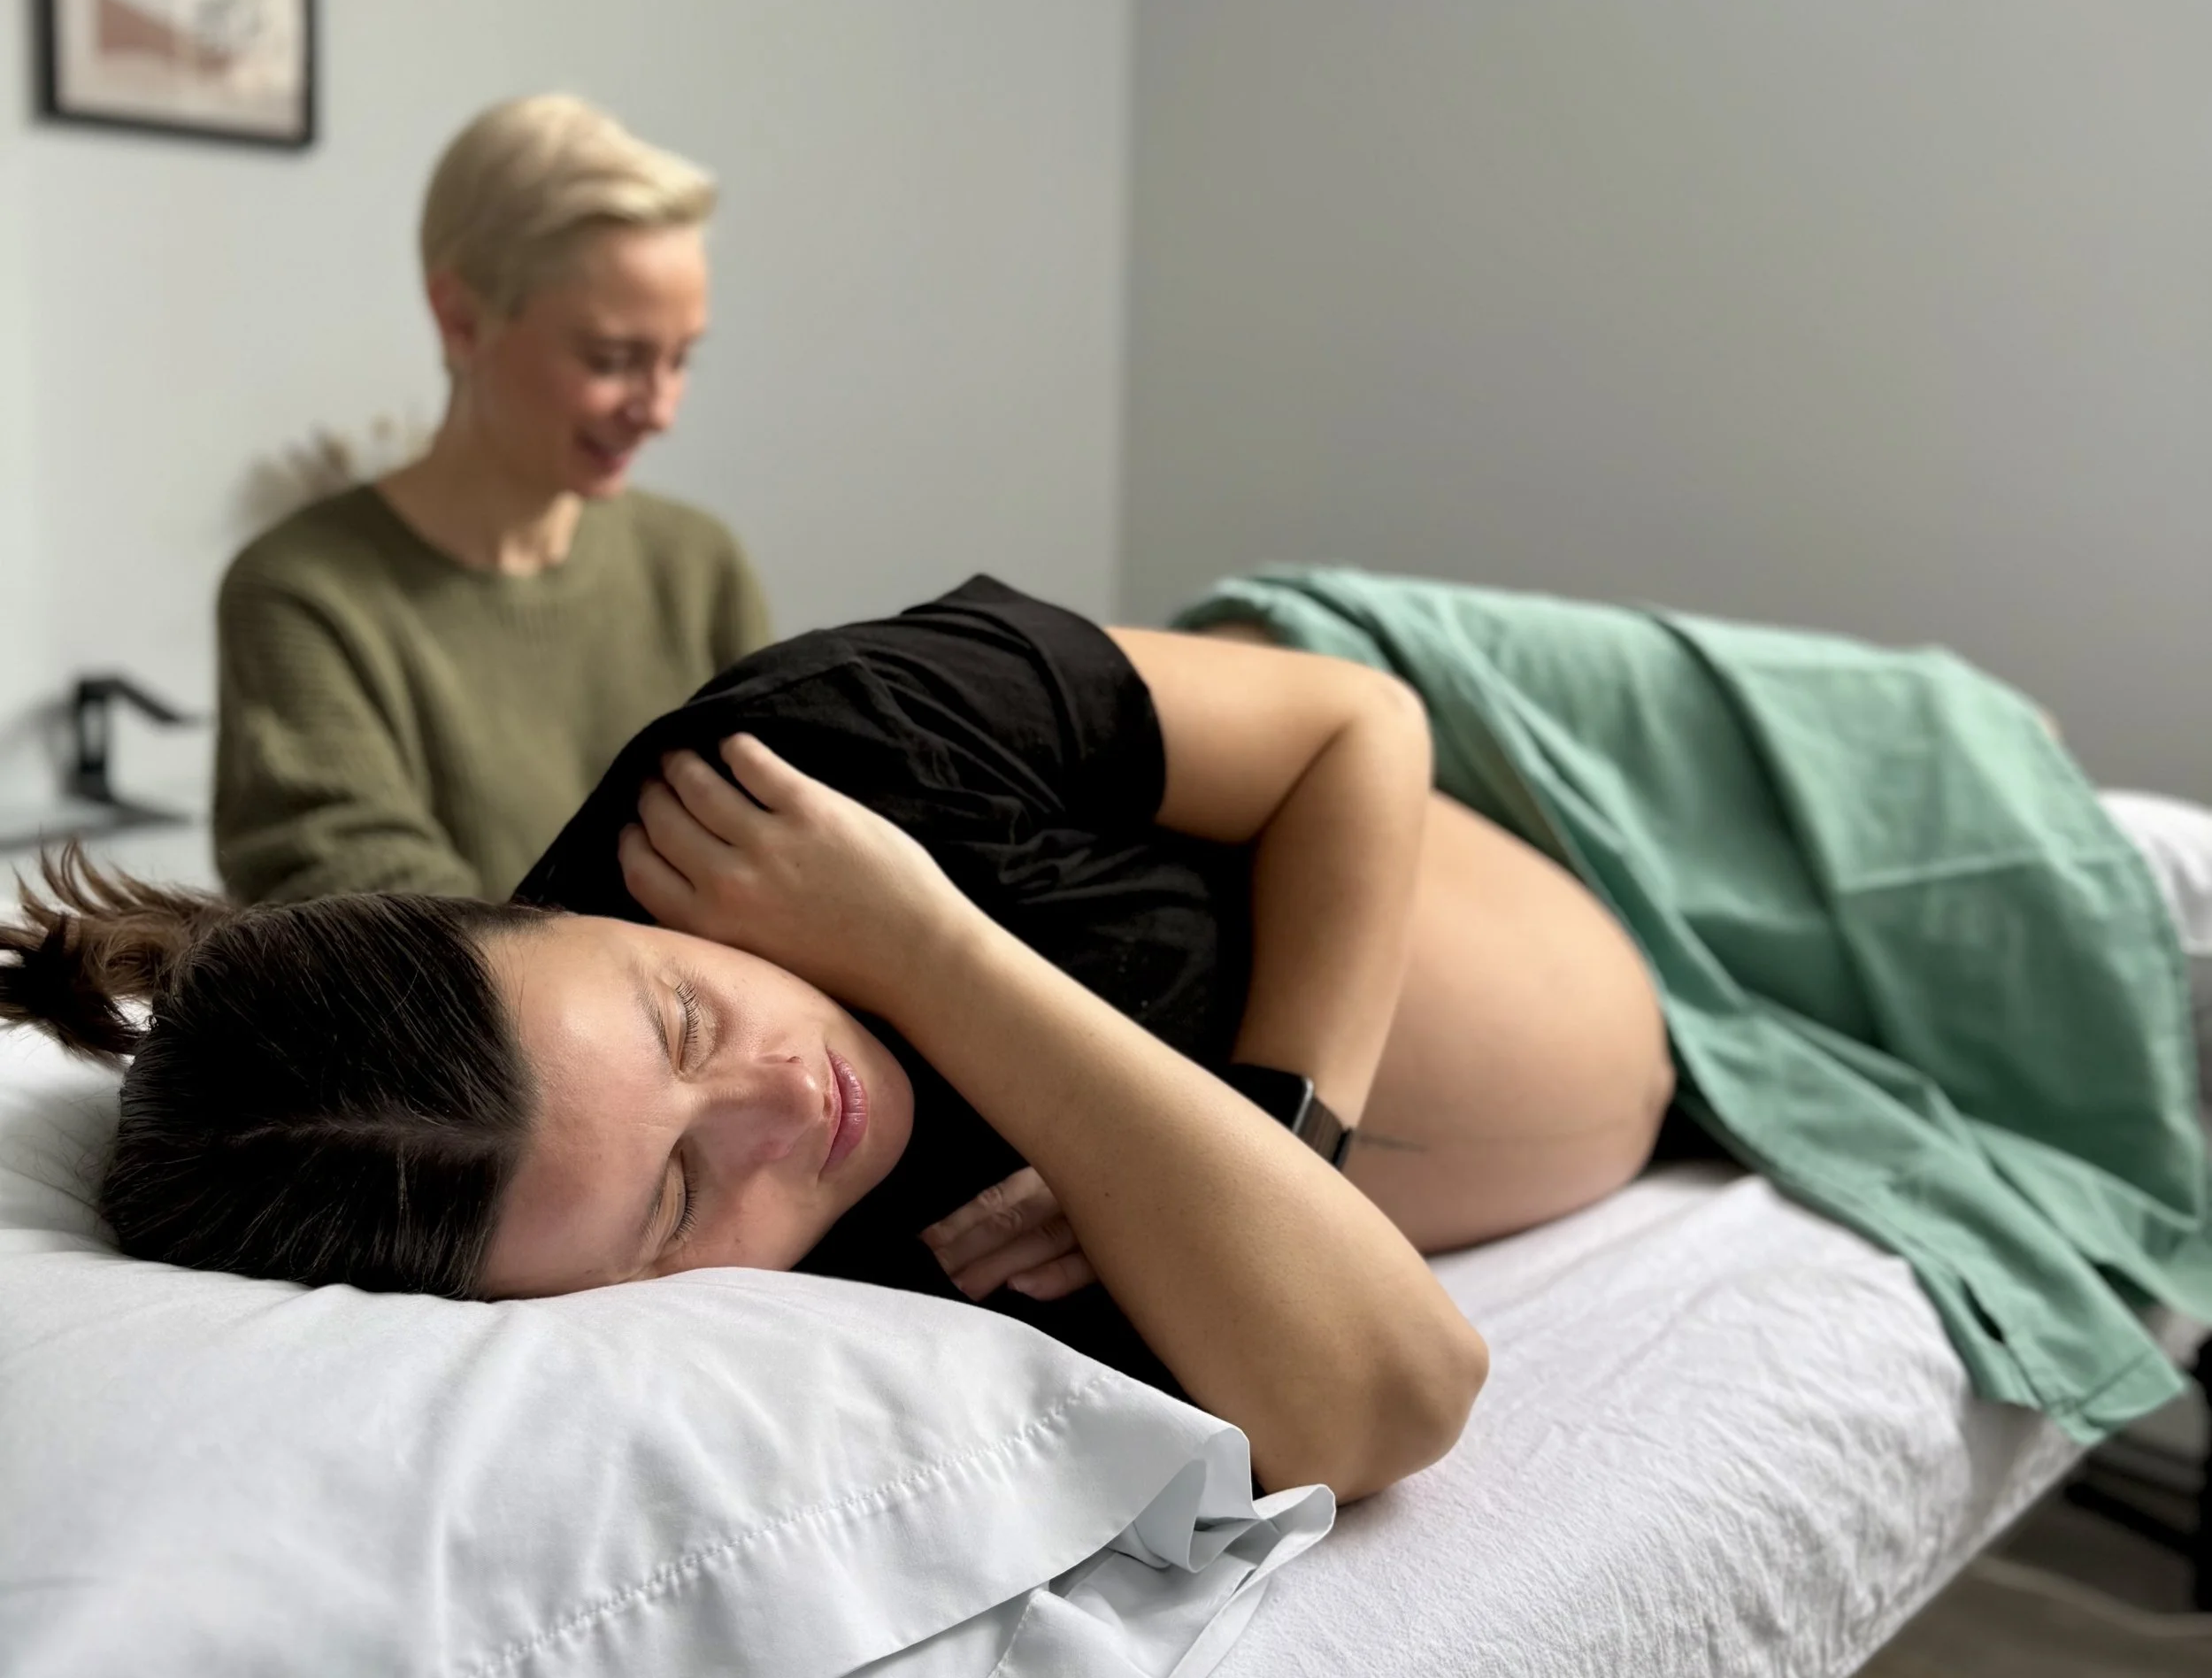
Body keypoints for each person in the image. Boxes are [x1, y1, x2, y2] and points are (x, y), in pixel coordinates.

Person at [2, 574, 1694, 1497]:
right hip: (1684, 1090)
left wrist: (1258, 1119)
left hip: (1602, 810)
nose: (781, 1104)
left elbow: (1353, 725)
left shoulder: (802, 765)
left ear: (541, 901)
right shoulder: (822, 1323)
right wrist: (954, 985)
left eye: (679, 1012)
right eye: (677, 1195)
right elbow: (1397, 1392)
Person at [214, 95, 772, 905]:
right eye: (612, 359)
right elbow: (380, 933)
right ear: (462, 321)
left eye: (681, 359)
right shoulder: (302, 596)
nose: (659, 411)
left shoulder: (699, 565)